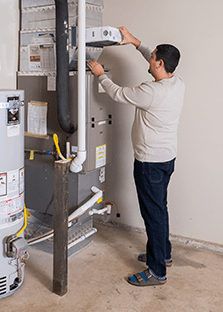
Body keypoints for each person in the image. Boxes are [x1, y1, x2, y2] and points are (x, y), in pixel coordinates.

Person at [87, 27, 185, 286]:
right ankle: (164, 254)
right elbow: (154, 62)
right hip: (166, 159)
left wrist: (100, 75)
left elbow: (118, 93)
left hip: (150, 163)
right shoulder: (177, 83)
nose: (150, 59)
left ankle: (157, 271)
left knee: (152, 215)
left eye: (152, 57)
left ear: (160, 63)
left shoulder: (151, 92)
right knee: (159, 209)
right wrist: (134, 42)